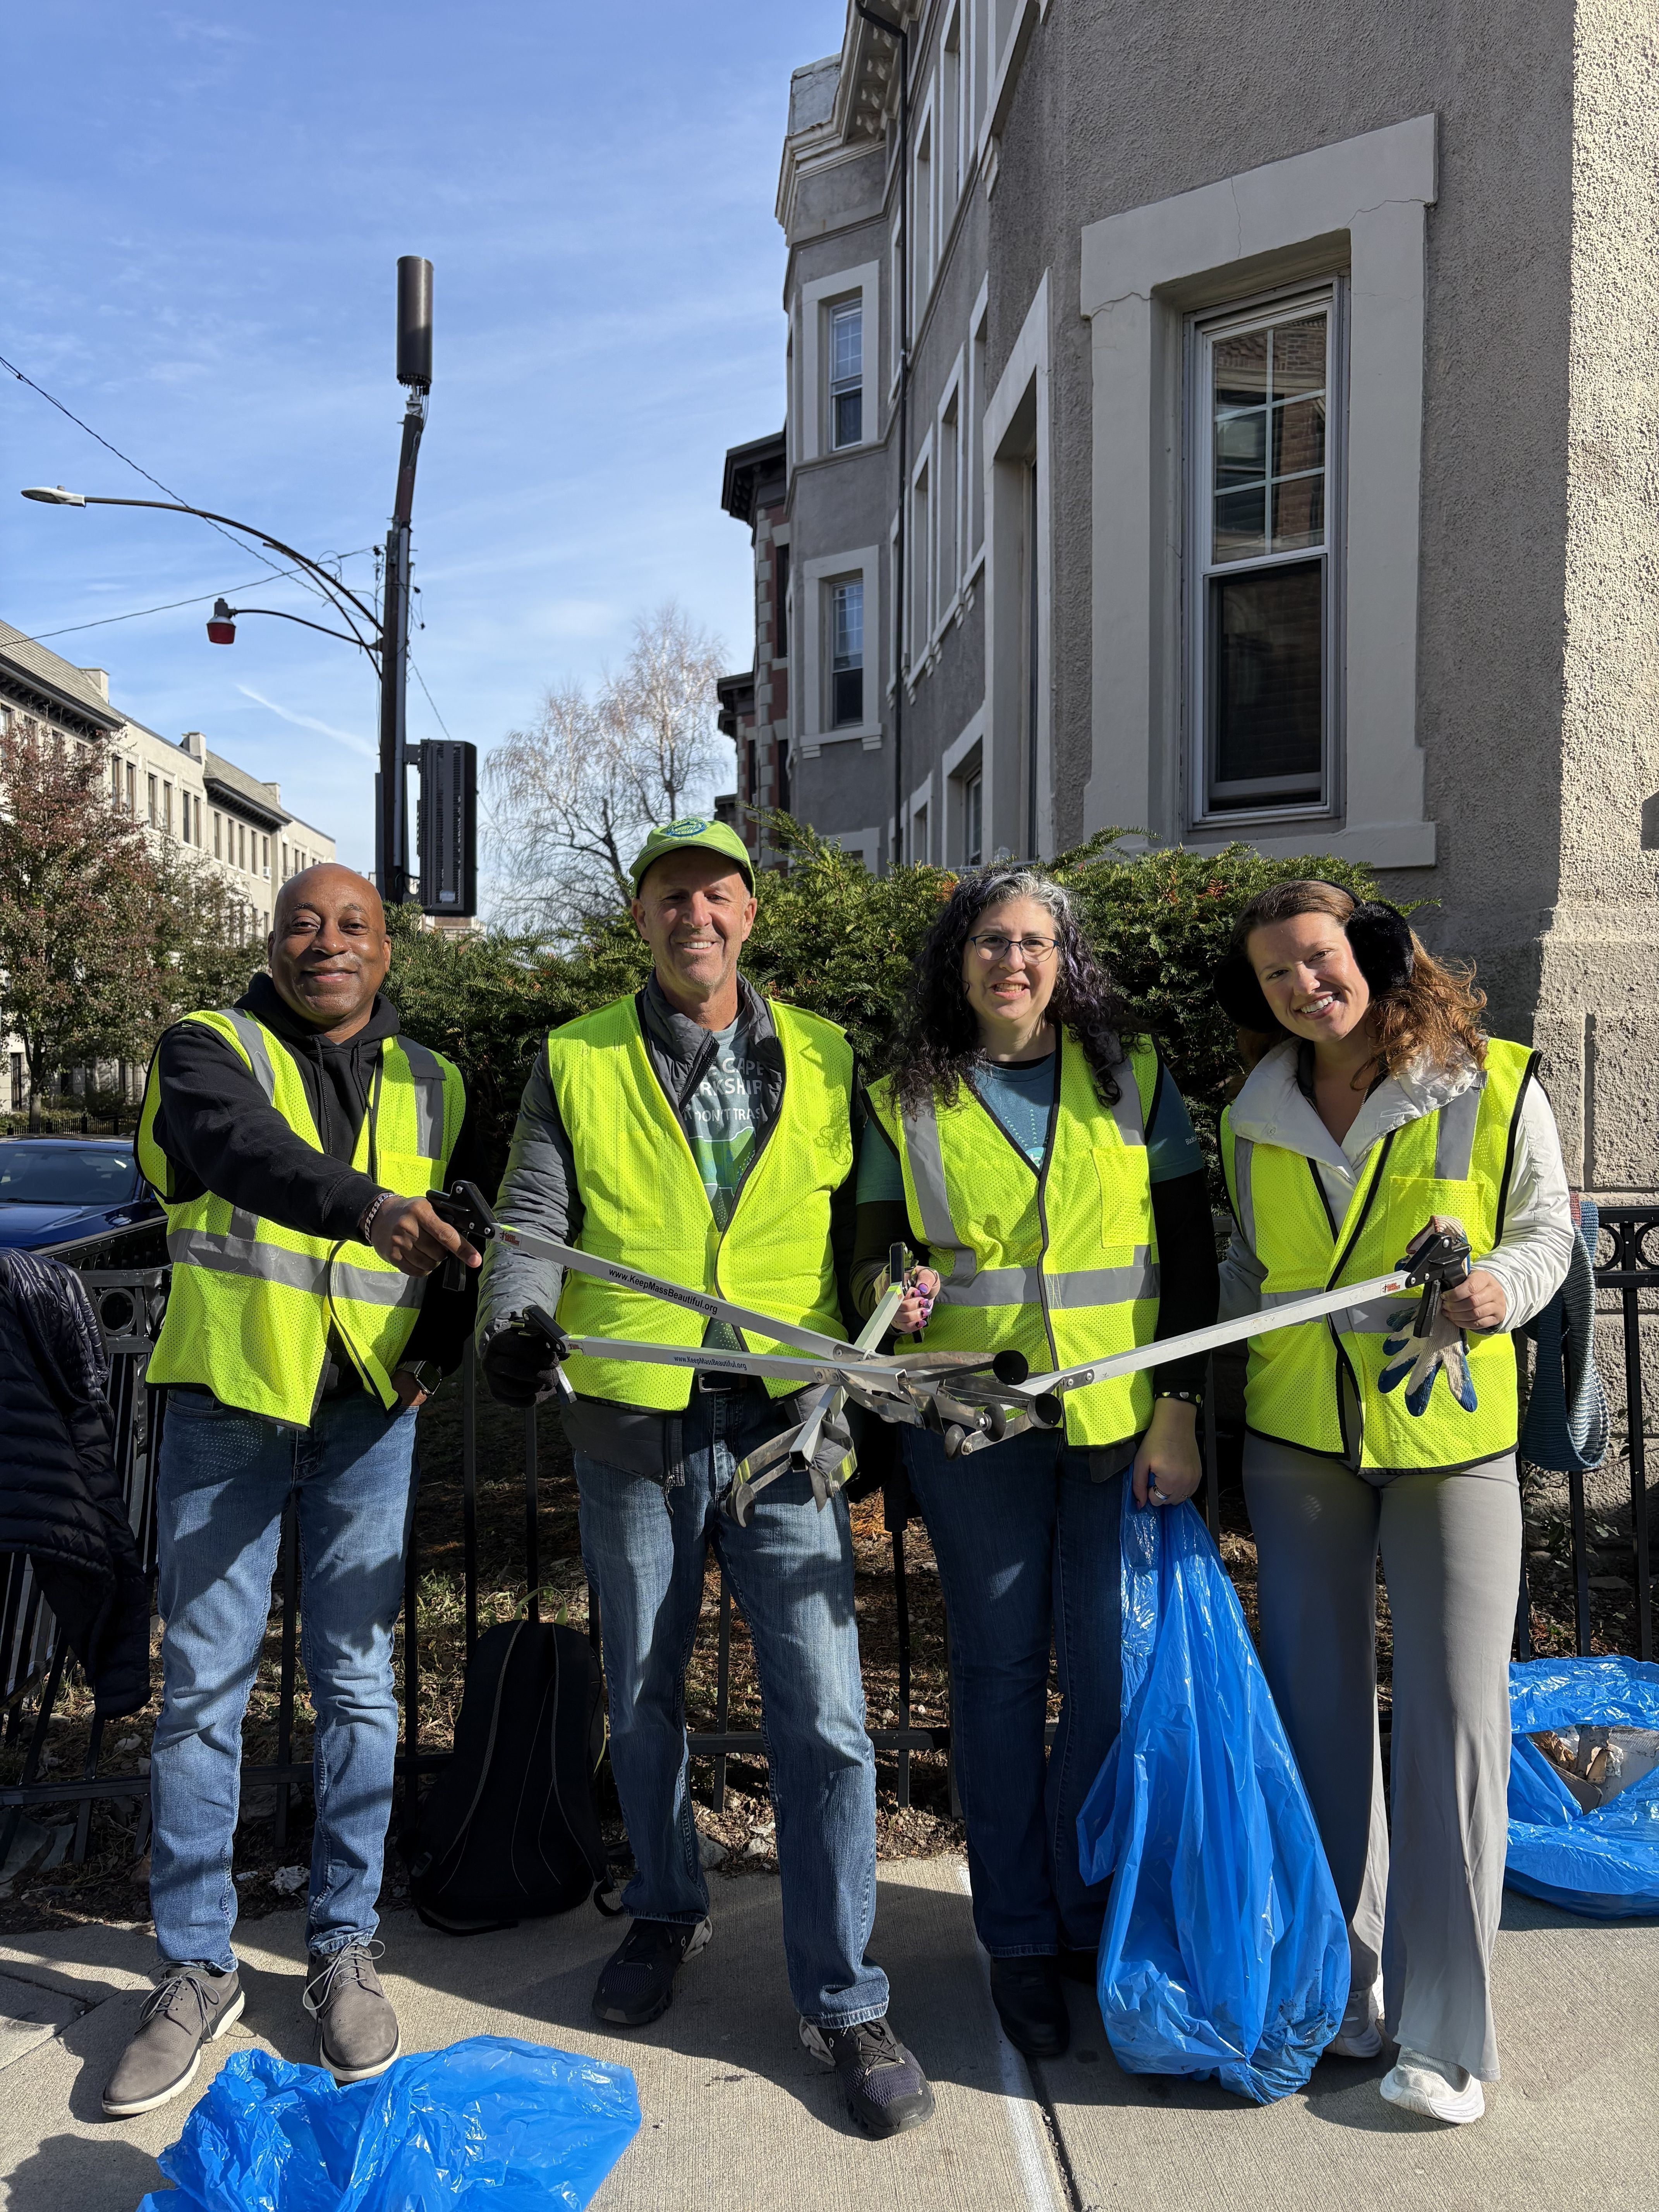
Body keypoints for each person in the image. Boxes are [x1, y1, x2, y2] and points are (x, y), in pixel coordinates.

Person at [476, 815, 934, 2142]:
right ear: (641, 921)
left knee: (829, 1720)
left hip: (787, 1425)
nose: (696, 917)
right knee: (640, 1698)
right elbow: (532, 1221)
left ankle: (843, 1998)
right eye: (671, 897)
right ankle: (668, 1911)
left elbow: (860, 1226)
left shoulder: (828, 1053)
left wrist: (883, 1294)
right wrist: (517, 1319)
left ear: (748, 915)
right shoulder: (577, 1058)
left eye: (717, 895)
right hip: (634, 1423)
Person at [106, 865, 481, 2119]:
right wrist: (367, 1206)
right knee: (204, 1690)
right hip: (228, 1405)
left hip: (370, 1414)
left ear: (389, 954)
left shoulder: (437, 1079)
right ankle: (195, 1966)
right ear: (273, 946)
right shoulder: (206, 1048)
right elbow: (236, 1154)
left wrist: (435, 1354)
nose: (329, 944)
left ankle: (342, 1946)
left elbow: (458, 1241)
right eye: (303, 925)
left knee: (361, 1682)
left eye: (355, 927)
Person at [1214, 878, 1573, 2126]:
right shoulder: (1250, 1111)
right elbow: (1251, 1267)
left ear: (1369, 954)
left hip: (1449, 1441)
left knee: (1453, 1733)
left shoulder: (1492, 1080)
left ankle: (1447, 2035)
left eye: (1318, 960)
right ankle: (1347, 1995)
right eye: (1275, 975)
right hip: (1296, 1443)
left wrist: (1498, 1295)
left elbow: (1544, 1232)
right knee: (1317, 1724)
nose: (1303, 987)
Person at [858, 867, 1218, 2061]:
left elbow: (1185, 1251)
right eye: (989, 941)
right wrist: (887, 1296)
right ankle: (1016, 1934)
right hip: (973, 1426)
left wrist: (1180, 1404)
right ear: (955, 958)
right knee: (1000, 1676)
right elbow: (872, 1255)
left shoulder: (1135, 1076)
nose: (1012, 960)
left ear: (1065, 961)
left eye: (1035, 943)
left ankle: (1076, 1904)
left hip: (1116, 1422)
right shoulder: (900, 1095)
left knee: (1107, 1677)